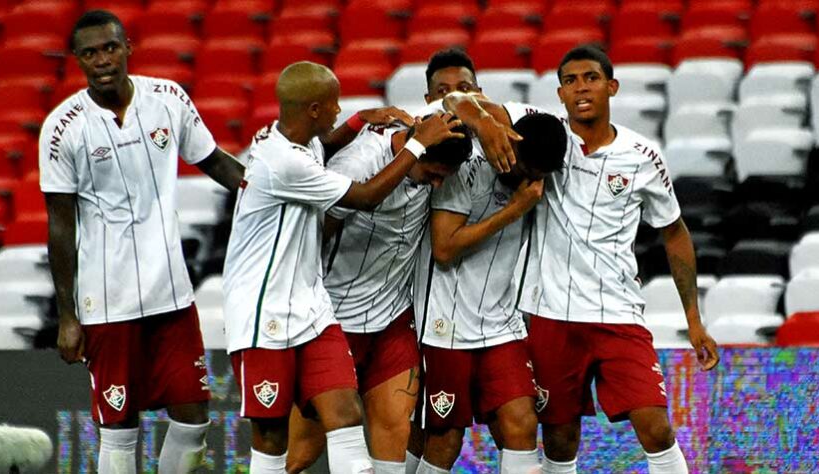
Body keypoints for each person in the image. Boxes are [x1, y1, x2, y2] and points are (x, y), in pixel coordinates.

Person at [444, 45, 721, 473]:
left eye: (590, 78)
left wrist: (694, 320)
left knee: (655, 426)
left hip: (618, 314)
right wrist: (484, 123)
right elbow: (456, 99)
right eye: (570, 81)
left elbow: (675, 233)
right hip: (550, 313)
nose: (580, 88)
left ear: (611, 86)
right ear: (560, 94)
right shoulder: (544, 131)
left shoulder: (643, 156)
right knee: (559, 437)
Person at [221, 61, 465, 473]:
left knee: (375, 427)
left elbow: (328, 141)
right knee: (291, 451)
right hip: (286, 314)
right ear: (313, 108)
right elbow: (364, 199)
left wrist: (359, 119)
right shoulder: (301, 163)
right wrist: (415, 147)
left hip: (369, 319)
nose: (437, 186)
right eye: (335, 105)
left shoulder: (307, 144)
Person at [40, 10, 246, 473]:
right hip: (107, 303)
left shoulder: (168, 98)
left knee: (194, 419)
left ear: (128, 46)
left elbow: (215, 162)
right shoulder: (62, 127)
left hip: (171, 293)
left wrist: (271, 193)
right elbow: (59, 225)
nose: (102, 60)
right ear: (77, 60)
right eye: (90, 53)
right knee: (118, 426)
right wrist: (68, 314)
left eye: (110, 48)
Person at [284, 116, 473, 474]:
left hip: (393, 321)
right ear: (414, 148)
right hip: (336, 323)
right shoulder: (358, 164)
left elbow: (463, 100)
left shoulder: (434, 149)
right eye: (432, 172)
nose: (436, 184)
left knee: (393, 444)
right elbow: (313, 235)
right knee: (300, 456)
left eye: (443, 177)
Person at [413, 112, 568, 474]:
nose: (532, 183)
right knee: (445, 441)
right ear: (511, 142)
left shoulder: (534, 176)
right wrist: (514, 211)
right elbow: (445, 248)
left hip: (501, 324)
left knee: (522, 423)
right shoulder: (466, 169)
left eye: (541, 177)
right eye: (528, 170)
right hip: (446, 327)